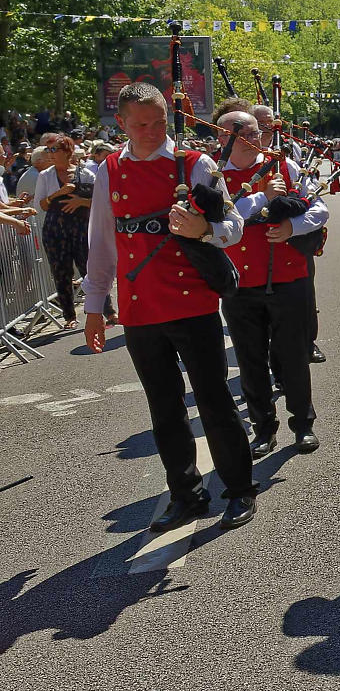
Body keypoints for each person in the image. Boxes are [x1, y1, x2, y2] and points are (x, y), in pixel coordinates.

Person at [82, 82, 257, 531]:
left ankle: (239, 489)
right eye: (140, 124)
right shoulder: (109, 171)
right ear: (120, 123)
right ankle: (186, 493)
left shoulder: (194, 164)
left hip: (192, 303)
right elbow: (101, 242)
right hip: (140, 310)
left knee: (216, 401)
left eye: (158, 122)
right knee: (164, 407)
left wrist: (202, 228)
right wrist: (95, 306)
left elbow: (233, 226)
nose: (151, 131)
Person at [217, 109, 326, 457]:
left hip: (288, 277)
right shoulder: (212, 175)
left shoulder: (284, 166)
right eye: (241, 132)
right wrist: (263, 197)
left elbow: (319, 209)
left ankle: (303, 425)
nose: (254, 139)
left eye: (256, 131)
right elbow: (220, 219)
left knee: (293, 356)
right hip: (238, 282)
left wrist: (293, 227)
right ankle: (263, 429)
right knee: (250, 361)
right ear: (222, 138)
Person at [33, 134, 98, 329]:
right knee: (61, 273)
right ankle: (69, 316)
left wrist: (81, 201)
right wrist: (58, 194)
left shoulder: (85, 173)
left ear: (68, 152)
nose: (50, 154)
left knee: (90, 269)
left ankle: (105, 310)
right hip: (55, 229)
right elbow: (41, 205)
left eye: (54, 150)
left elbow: (101, 202)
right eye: (48, 150)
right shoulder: (45, 176)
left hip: (81, 228)